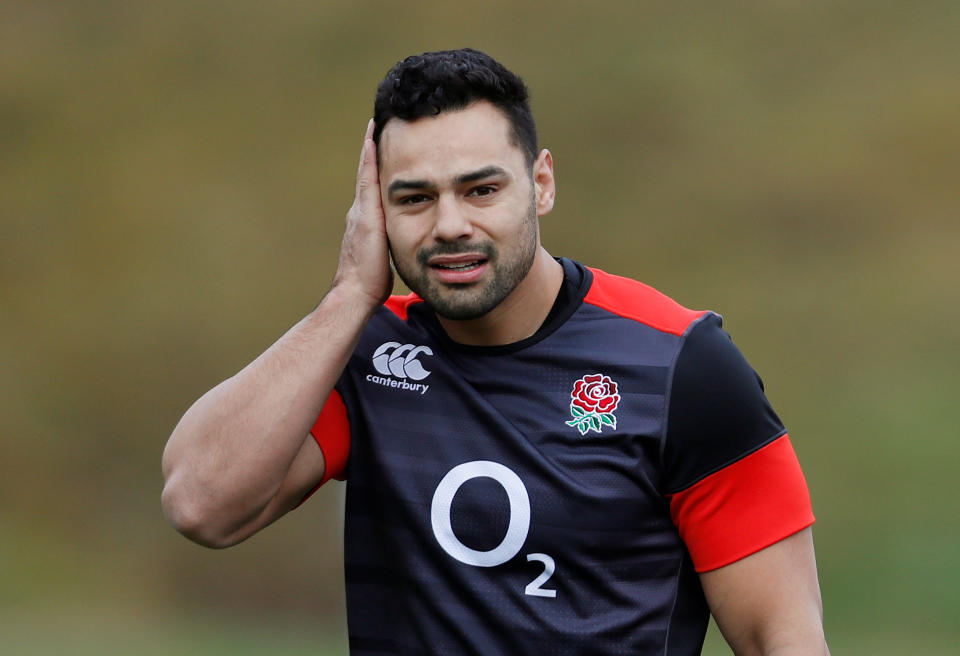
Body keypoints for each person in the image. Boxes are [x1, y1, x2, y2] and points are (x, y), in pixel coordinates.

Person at [162, 48, 829, 655]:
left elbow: (784, 640)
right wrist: (347, 298)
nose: (450, 225)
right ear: (376, 213)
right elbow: (202, 504)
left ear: (540, 184)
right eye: (415, 198)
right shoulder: (367, 355)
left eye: (481, 190)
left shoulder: (681, 363)